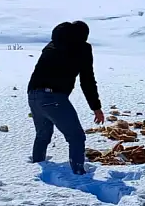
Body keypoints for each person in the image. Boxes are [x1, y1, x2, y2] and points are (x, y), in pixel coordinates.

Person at [27, 20, 105, 174]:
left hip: (33, 95)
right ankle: (78, 174)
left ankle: (37, 168)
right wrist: (96, 107)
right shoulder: (82, 48)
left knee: (43, 135)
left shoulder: (51, 45)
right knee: (76, 137)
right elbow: (87, 80)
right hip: (54, 98)